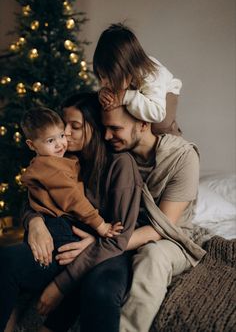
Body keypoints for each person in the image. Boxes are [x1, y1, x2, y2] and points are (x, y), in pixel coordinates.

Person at [31, 105, 207, 332]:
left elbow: (162, 227)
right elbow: (48, 189)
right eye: (104, 127)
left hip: (166, 235)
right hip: (116, 234)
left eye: (115, 128)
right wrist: (34, 220)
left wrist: (101, 241)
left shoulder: (180, 158)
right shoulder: (107, 150)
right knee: (90, 273)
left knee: (152, 256)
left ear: (144, 125)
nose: (106, 135)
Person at [0, 93, 143, 332]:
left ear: (94, 127)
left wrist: (60, 285)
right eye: (63, 125)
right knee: (7, 260)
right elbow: (36, 195)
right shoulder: (62, 156)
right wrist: (35, 223)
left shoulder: (120, 164)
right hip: (67, 241)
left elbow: (119, 235)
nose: (64, 134)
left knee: (100, 290)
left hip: (107, 249)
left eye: (74, 126)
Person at [21, 106, 121, 242]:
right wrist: (100, 225)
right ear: (32, 145)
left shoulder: (60, 160)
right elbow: (72, 198)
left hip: (61, 221)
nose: (60, 144)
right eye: (50, 140)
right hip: (57, 224)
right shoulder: (49, 167)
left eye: (61, 136)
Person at [93, 22, 183, 136]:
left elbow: (158, 113)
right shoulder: (119, 76)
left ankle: (175, 143)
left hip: (166, 94)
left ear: (127, 69)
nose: (103, 82)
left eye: (109, 78)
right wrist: (102, 94)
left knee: (160, 126)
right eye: (102, 76)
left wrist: (126, 97)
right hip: (140, 92)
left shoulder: (151, 74)